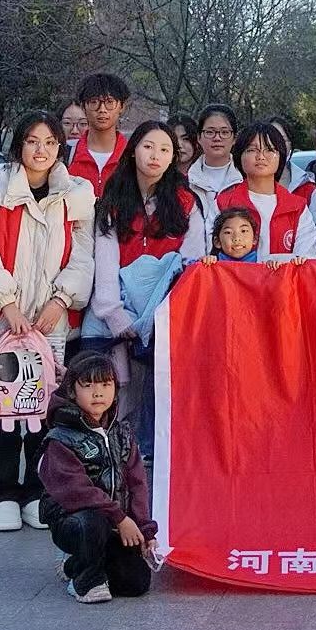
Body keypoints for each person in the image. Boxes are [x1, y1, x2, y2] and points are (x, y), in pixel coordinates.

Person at [0, 111, 95, 531]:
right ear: (19, 144)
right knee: (1, 406)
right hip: (3, 322)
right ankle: (3, 493)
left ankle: (39, 492)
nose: (41, 150)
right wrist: (7, 304)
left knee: (46, 408)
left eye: (50, 142)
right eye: (33, 141)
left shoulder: (76, 196)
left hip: (51, 323)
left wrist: (62, 299)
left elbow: (84, 255)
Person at [90, 120, 206, 460]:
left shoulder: (186, 203)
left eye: (165, 149)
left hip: (165, 312)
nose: (156, 155)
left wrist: (163, 316)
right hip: (115, 310)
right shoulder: (112, 200)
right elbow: (104, 259)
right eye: (148, 147)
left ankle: (152, 453)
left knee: (158, 388)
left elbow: (191, 264)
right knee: (107, 382)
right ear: (133, 151)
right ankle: (102, 451)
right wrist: (113, 313)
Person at [38, 352, 157, 604]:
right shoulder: (61, 438)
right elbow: (76, 491)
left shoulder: (123, 433)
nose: (98, 393)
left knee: (135, 582)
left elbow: (137, 484)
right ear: (72, 391)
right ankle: (84, 580)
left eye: (105, 384)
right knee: (92, 522)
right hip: (74, 520)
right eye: (88, 385)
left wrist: (145, 529)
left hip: (115, 521)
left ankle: (75, 565)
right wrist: (120, 518)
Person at [215, 122, 316, 263]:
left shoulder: (297, 207)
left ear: (281, 156)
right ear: (239, 156)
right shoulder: (223, 203)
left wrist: (274, 262)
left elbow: (307, 260)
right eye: (252, 150)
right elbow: (210, 258)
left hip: (286, 278)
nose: (261, 156)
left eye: (269, 150)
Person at [186, 104, 242, 252]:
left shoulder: (245, 181)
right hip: (191, 263)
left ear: (234, 138)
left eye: (224, 132)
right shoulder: (185, 183)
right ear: (199, 137)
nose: (217, 138)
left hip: (232, 263)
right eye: (210, 132)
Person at [69, 74, 130, 197]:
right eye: (94, 102)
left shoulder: (133, 155)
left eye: (110, 102)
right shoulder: (67, 154)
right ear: (83, 107)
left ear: (122, 107)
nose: (102, 109)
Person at [269, 115, 316, 225]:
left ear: (291, 144)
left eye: (283, 139)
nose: (277, 145)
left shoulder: (306, 187)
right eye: (271, 140)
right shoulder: (248, 185)